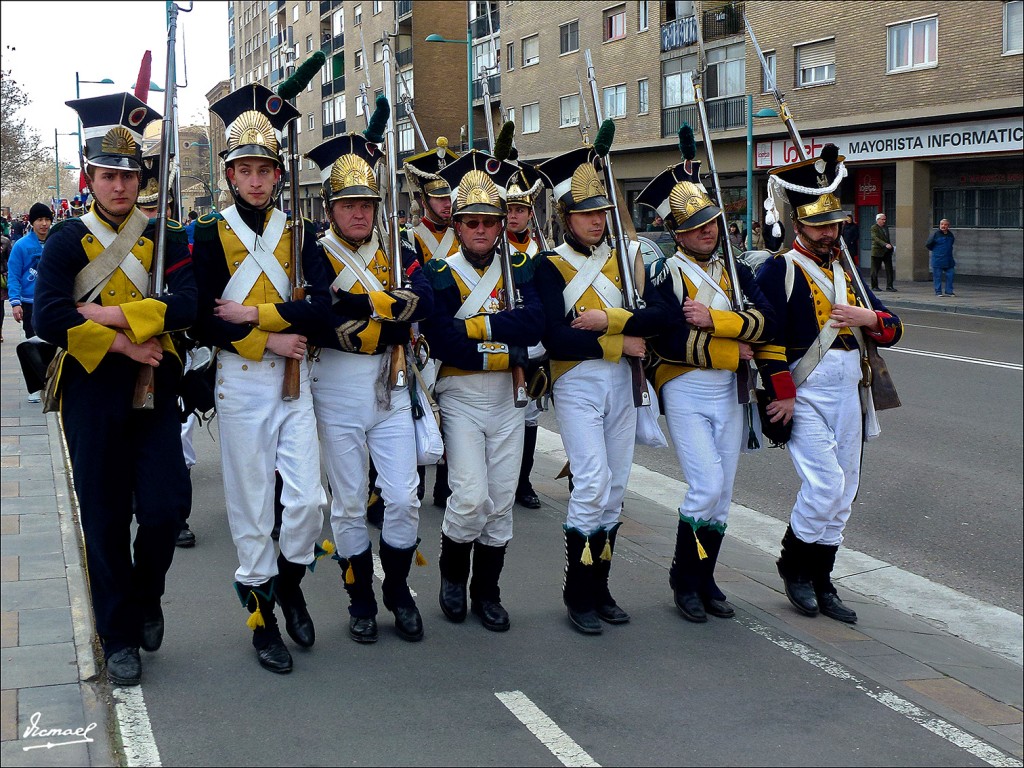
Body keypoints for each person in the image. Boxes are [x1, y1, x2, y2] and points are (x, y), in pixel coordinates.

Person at [33, 92, 196, 686]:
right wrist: (125, 340)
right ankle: (117, 634)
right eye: (108, 175)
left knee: (164, 508)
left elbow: (188, 306)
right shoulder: (66, 239)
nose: (120, 186)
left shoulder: (165, 237)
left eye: (129, 175)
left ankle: (146, 595)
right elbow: (48, 317)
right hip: (93, 390)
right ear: (91, 178)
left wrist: (101, 314)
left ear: (141, 180)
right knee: (103, 518)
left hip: (156, 386)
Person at [192, 83, 330, 674]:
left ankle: (292, 580)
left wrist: (258, 315)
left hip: (295, 376)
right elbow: (201, 317)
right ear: (230, 175)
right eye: (244, 169)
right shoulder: (206, 233)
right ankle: (262, 618)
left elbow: (324, 308)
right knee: (252, 509)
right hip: (242, 379)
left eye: (264, 170)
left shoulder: (299, 233)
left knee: (305, 502)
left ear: (277, 175)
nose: (255, 180)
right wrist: (263, 338)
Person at [754, 144, 903, 625]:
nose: (829, 232)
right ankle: (794, 567)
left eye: (834, 224)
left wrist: (868, 316)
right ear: (799, 226)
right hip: (806, 393)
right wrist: (782, 393)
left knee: (846, 490)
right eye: (819, 225)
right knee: (826, 485)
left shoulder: (850, 272)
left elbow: (894, 328)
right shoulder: (779, 269)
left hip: (850, 394)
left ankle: (823, 578)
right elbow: (766, 336)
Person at [534, 143, 672, 635]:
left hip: (621, 383)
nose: (597, 221)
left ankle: (602, 585)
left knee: (613, 490)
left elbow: (661, 317)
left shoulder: (627, 260)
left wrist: (610, 322)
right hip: (576, 381)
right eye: (587, 214)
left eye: (603, 213)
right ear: (567, 217)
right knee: (590, 483)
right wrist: (621, 341)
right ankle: (578, 592)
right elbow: (555, 335)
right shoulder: (548, 266)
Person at [304, 129, 433, 644]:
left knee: (403, 497)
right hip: (336, 384)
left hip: (391, 380)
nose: (359, 213)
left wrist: (365, 311)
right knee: (351, 502)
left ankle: (398, 592)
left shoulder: (398, 248)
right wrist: (382, 307)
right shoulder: (315, 252)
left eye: (367, 204)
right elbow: (321, 314)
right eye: (349, 204)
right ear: (332, 208)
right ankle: (360, 598)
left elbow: (421, 301)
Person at [638, 159, 774, 624]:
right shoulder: (666, 274)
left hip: (729, 391)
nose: (707, 231)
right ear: (677, 233)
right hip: (686, 388)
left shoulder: (735, 269)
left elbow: (766, 321)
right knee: (706, 485)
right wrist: (732, 350)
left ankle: (706, 577)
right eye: (695, 226)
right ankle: (683, 577)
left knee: (724, 492)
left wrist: (719, 322)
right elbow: (669, 338)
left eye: (711, 222)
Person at [421, 149, 544, 632]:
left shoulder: (522, 269)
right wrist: (508, 348)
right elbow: (445, 341)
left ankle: (487, 591)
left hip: (510, 399)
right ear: (458, 225)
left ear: (499, 226)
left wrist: (477, 327)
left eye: (489, 222)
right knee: (470, 495)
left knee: (501, 498)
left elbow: (535, 321)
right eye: (471, 222)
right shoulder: (438, 274)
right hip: (462, 395)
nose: (480, 230)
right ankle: (453, 577)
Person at [403, 138, 462, 509]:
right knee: (421, 408)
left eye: (448, 196)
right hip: (423, 332)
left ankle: (446, 487)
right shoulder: (412, 237)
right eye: (438, 198)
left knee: (454, 412)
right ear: (424, 200)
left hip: (458, 328)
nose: (446, 203)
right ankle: (417, 483)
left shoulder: (466, 232)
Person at [504, 162, 547, 510]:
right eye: (509, 209)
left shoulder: (539, 251)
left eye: (520, 209)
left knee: (530, 415)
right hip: (502, 341)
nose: (514, 216)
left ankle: (523, 481)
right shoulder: (493, 249)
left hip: (536, 346)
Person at [8, 203, 53, 352]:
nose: (44, 224)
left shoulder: (58, 242)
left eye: (47, 219)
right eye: (39, 219)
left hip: (54, 301)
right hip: (29, 304)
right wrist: (15, 303)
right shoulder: (21, 246)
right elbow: (14, 275)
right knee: (35, 346)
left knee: (55, 344)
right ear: (32, 222)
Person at [926, 218, 955, 297]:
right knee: (937, 276)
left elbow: (952, 243)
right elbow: (928, 244)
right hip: (938, 259)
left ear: (948, 226)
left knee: (950, 275)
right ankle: (938, 291)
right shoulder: (935, 234)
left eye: (945, 224)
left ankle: (949, 291)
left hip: (949, 259)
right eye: (942, 224)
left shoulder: (950, 234)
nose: (943, 226)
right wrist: (936, 251)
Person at [869, 213, 896, 291]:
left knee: (889, 269)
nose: (884, 221)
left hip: (886, 251)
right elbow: (875, 238)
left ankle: (889, 286)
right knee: (875, 270)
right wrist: (885, 244)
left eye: (885, 219)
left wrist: (890, 246)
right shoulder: (874, 228)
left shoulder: (886, 228)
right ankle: (874, 286)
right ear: (878, 220)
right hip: (877, 251)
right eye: (882, 219)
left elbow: (887, 239)